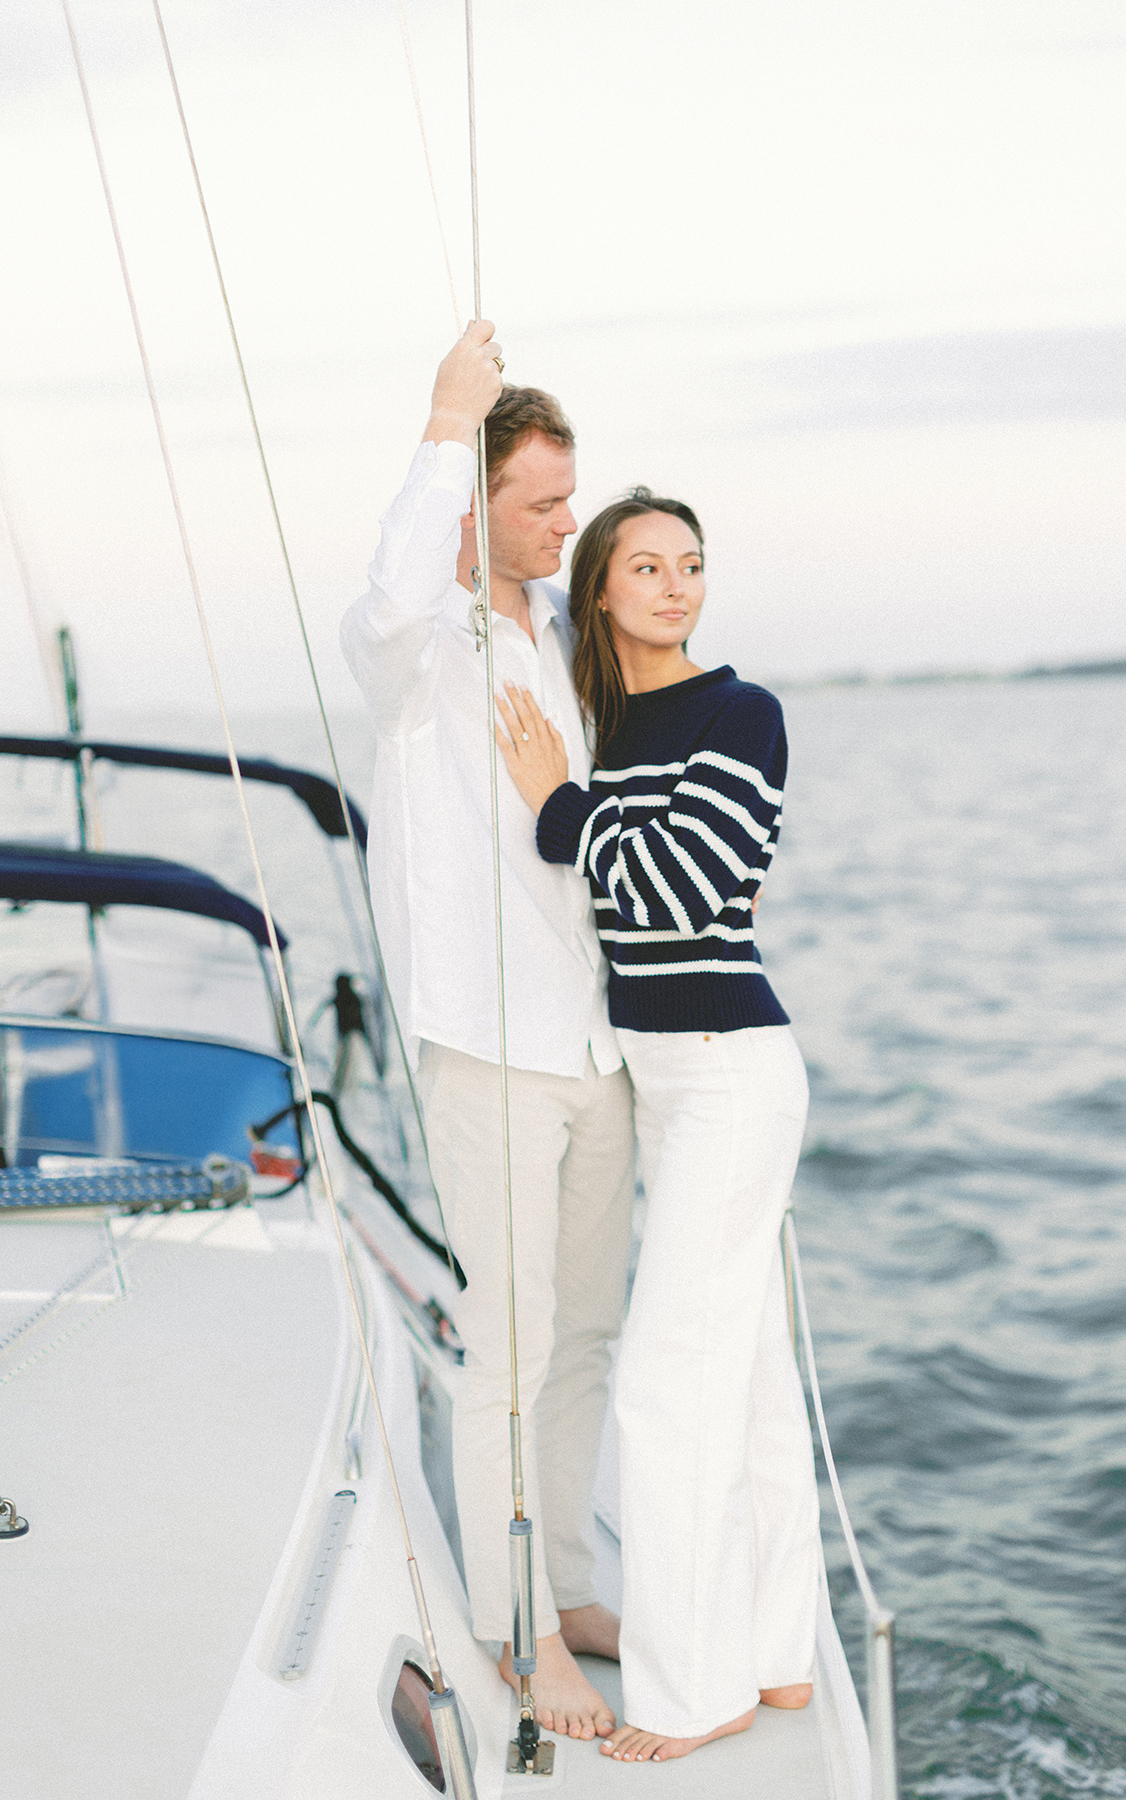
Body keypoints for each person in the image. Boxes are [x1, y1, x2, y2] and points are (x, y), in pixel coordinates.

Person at [340, 323, 635, 1741]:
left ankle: (570, 1583)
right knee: (509, 1347)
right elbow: (387, 607)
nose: (567, 523)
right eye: (538, 501)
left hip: (597, 1049)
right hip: (488, 1051)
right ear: (471, 503)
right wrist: (438, 422)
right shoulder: (421, 655)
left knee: (584, 1333)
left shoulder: (560, 640)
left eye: (569, 498)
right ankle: (521, 1640)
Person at [494, 489, 821, 1762]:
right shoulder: (612, 725)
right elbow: (620, 895)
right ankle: (782, 1655)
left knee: (665, 1386)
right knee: (741, 1381)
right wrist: (580, 797)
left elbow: (684, 883)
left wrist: (561, 808)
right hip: (666, 1075)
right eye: (646, 567)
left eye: (690, 565)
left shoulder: (743, 714)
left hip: (729, 1069)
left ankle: (692, 1694)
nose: (677, 586)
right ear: (602, 594)